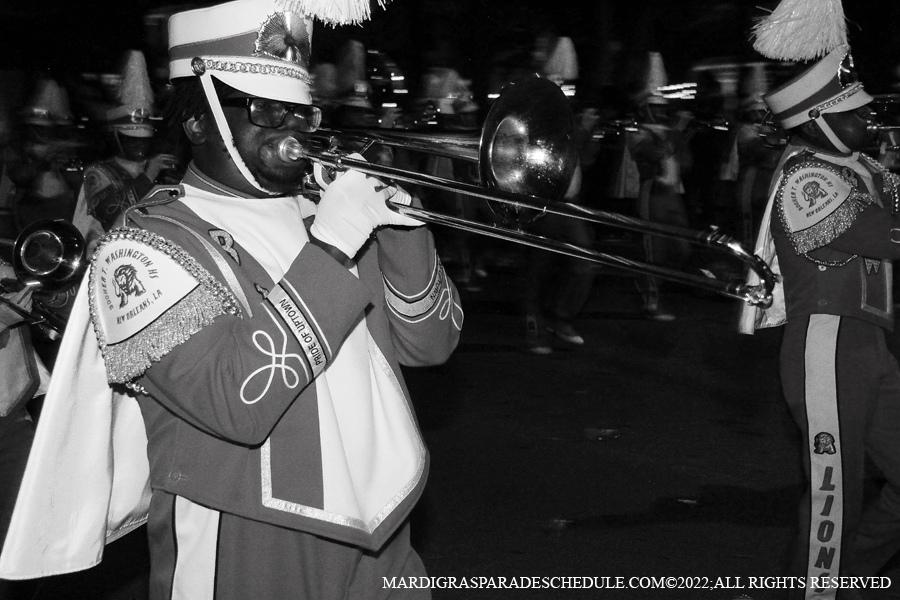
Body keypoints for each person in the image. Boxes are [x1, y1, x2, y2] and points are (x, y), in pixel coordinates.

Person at [0, 0, 463, 597]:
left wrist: (405, 234)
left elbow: (430, 345)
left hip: (384, 528)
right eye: (267, 110)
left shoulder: (330, 213)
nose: (292, 128)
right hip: (247, 533)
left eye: (300, 110)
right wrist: (330, 250)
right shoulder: (142, 246)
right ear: (198, 120)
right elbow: (234, 403)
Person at [740, 42, 900, 595]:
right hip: (827, 345)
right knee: (836, 497)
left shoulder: (860, 169)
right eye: (853, 112)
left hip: (869, 345)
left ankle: (845, 582)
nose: (867, 118)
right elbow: (888, 237)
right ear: (819, 121)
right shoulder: (807, 179)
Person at [71, 50, 179, 255]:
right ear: (117, 138)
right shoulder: (98, 172)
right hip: (108, 255)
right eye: (132, 140)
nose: (140, 146)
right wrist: (148, 176)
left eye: (145, 141)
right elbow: (114, 216)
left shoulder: (160, 168)